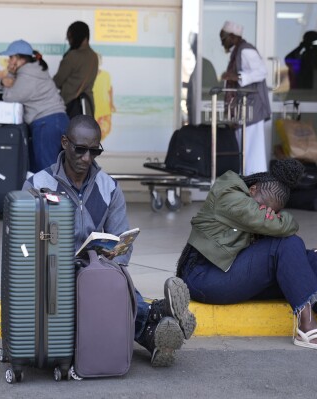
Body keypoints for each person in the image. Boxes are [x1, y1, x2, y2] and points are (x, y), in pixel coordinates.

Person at [23, 115, 196, 366]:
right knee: (101, 293)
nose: (86, 158)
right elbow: (24, 243)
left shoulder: (109, 187)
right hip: (55, 273)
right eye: (80, 150)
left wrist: (115, 256)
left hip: (95, 269)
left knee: (115, 285)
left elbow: (121, 236)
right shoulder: (38, 184)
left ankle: (154, 333)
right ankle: (158, 317)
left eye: (94, 151)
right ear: (64, 143)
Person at [176, 158, 317, 351]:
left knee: (310, 258)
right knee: (287, 243)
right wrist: (275, 220)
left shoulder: (252, 200)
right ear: (252, 189)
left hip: (229, 271)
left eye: (271, 211)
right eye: (261, 206)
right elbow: (285, 227)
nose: (263, 212)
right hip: (204, 278)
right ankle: (306, 327)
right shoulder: (228, 194)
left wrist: (277, 219)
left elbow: (284, 224)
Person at [0, 40, 69, 172]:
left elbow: (9, 97)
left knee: (47, 171)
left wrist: (9, 75)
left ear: (20, 59)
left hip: (46, 124)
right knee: (57, 169)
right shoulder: (35, 70)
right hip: (58, 121)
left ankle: (52, 193)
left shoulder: (27, 76)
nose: (8, 61)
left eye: (11, 57)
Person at [219, 21, 271, 175]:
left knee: (252, 152)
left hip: (252, 108)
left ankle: (255, 189)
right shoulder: (238, 51)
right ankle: (247, 188)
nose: (222, 42)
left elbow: (262, 71)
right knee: (244, 151)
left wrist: (237, 76)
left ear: (233, 36)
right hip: (243, 109)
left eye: (224, 38)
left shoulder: (246, 50)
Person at [53, 21, 99, 118]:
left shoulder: (72, 56)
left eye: (69, 37)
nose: (69, 41)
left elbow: (57, 82)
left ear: (76, 36)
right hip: (87, 106)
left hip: (71, 106)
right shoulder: (94, 56)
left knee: (70, 132)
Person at [92, 53, 116, 139]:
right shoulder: (88, 76)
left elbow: (110, 90)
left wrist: (112, 104)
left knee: (106, 130)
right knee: (94, 131)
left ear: (101, 62)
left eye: (98, 60)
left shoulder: (106, 75)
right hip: (94, 108)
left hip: (105, 108)